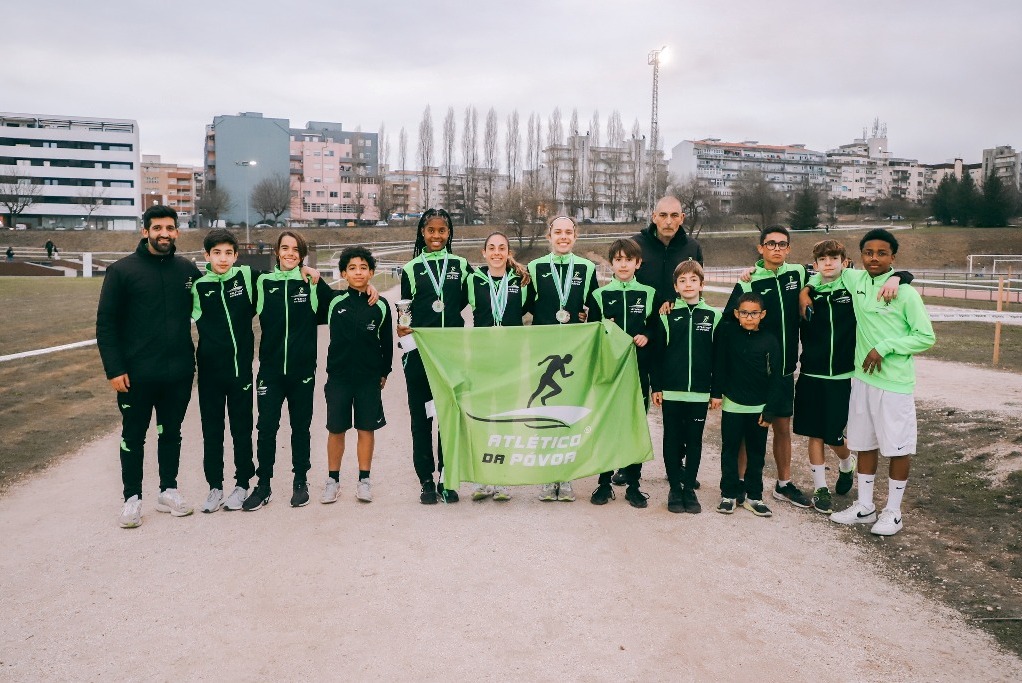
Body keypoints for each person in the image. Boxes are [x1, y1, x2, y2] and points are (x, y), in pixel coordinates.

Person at [822, 229, 935, 536]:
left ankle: (894, 513)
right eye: (868, 252)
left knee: (897, 448)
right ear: (859, 257)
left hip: (894, 384)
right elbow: (822, 272)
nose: (874, 258)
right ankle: (865, 506)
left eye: (881, 253)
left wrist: (884, 347)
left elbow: (925, 337)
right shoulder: (854, 280)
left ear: (892, 257)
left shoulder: (906, 293)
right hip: (862, 381)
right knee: (864, 444)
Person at [96, 205, 202, 528]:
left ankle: (168, 490)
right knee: (134, 435)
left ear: (177, 232)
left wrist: (308, 275)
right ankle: (132, 499)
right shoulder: (122, 271)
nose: (164, 234)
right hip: (136, 376)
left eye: (170, 228)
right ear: (145, 232)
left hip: (179, 373)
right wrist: (114, 369)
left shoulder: (187, 270)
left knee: (171, 433)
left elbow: (222, 290)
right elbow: (106, 325)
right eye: (157, 228)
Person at [243, 230, 334, 511]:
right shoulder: (263, 282)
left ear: (302, 254)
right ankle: (264, 485)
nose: (290, 253)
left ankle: (300, 482)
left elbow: (343, 303)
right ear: (276, 251)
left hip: (302, 371)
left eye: (296, 249)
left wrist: (370, 290)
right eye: (285, 248)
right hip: (270, 371)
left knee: (300, 429)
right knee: (266, 428)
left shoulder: (311, 282)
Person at [724, 226, 809, 508]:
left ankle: (783, 483)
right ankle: (738, 484)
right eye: (770, 243)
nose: (776, 248)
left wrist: (900, 276)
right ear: (760, 248)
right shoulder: (749, 281)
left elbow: (830, 276)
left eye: (782, 244)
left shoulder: (797, 273)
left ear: (789, 248)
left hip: (784, 368)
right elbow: (728, 321)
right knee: (751, 431)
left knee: (782, 426)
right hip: (754, 372)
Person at [397, 208, 471, 505]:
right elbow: (405, 312)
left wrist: (516, 268)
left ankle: (447, 477)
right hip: (419, 355)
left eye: (442, 230)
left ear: (449, 233)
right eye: (431, 231)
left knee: (448, 417)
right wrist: (404, 338)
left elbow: (483, 290)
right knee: (421, 418)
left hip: (452, 354)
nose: (436, 236)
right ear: (422, 233)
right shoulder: (411, 268)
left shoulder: (461, 265)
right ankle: (426, 479)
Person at [525, 215, 599, 502]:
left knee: (569, 412)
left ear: (576, 236)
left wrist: (587, 314)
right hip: (543, 351)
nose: (564, 236)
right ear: (549, 236)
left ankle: (565, 475)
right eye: (558, 232)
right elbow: (525, 304)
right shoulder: (534, 267)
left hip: (573, 355)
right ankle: (547, 476)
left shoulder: (587, 267)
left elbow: (594, 306)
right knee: (546, 412)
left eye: (569, 232)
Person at [190, 229, 258, 513]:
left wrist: (309, 270)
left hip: (240, 371)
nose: (223, 258)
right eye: (216, 253)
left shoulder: (246, 277)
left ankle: (242, 483)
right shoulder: (199, 287)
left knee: (241, 430)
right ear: (207, 256)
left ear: (236, 255)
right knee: (212, 431)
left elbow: (286, 268)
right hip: (209, 374)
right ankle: (215, 487)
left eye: (228, 253)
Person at [586, 238, 656, 509]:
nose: (623, 264)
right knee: (607, 425)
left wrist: (647, 335)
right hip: (610, 372)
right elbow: (591, 333)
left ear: (638, 263)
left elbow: (656, 328)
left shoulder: (649, 293)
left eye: (629, 259)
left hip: (639, 371)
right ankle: (604, 483)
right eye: (618, 260)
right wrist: (604, 326)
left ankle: (634, 485)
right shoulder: (600, 295)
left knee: (634, 425)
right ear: (611, 264)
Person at [321, 246, 393, 505]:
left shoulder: (381, 305)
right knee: (336, 429)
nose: (358, 272)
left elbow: (386, 342)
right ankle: (332, 480)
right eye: (352, 268)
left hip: (368, 379)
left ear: (371, 272)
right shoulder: (334, 301)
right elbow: (311, 278)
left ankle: (364, 480)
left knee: (366, 428)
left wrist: (385, 371)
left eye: (363, 267)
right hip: (339, 378)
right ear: (343, 273)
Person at [650, 260, 721, 514]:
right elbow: (657, 355)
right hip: (671, 391)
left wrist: (716, 391)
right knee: (672, 439)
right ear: (675, 287)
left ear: (702, 284)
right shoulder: (667, 315)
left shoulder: (713, 316)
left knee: (694, 441)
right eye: (682, 281)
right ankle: (674, 488)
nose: (688, 284)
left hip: (700, 392)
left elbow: (719, 357)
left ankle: (689, 488)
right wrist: (656, 386)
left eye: (693, 280)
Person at [793, 240, 858, 514]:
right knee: (814, 432)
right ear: (816, 264)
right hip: (811, 372)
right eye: (823, 259)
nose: (828, 263)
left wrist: (901, 278)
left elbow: (887, 277)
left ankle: (847, 463)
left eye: (834, 257)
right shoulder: (810, 288)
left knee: (833, 435)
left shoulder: (853, 283)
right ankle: (820, 488)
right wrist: (806, 289)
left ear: (844, 261)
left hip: (842, 374)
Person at [466, 231, 530, 502]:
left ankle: (503, 479)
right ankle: (484, 478)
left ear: (508, 252)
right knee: (483, 417)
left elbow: (537, 310)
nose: (496, 252)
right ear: (483, 252)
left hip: (511, 359)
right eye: (491, 248)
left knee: (506, 416)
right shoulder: (473, 280)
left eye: (501, 248)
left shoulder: (520, 280)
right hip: (481, 358)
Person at [712, 292, 786, 517]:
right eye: (744, 313)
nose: (749, 317)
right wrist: (716, 393)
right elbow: (719, 364)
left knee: (756, 453)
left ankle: (754, 496)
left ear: (762, 314)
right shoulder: (728, 333)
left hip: (759, 408)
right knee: (730, 450)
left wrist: (770, 409)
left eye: (754, 313)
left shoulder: (770, 340)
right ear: (737, 313)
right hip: (733, 404)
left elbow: (777, 378)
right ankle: (729, 494)